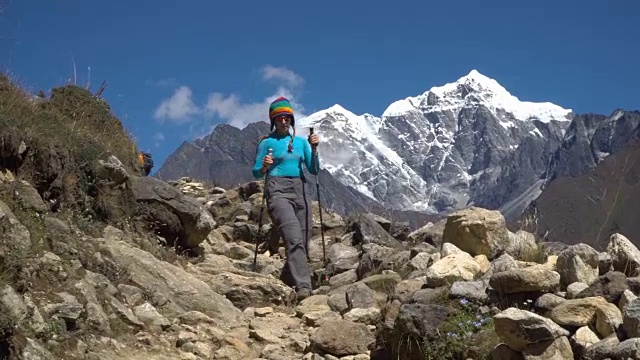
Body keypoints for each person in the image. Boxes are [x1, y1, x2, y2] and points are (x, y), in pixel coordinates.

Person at [252, 96, 320, 300]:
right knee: (293, 237)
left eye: (287, 117)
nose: (284, 121)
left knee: (304, 238)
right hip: (277, 190)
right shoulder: (267, 143)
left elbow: (314, 169)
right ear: (273, 120)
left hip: (300, 189)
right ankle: (304, 287)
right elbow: (256, 172)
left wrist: (314, 148)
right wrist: (265, 165)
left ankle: (288, 279)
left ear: (292, 119)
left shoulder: (301, 142)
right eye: (279, 117)